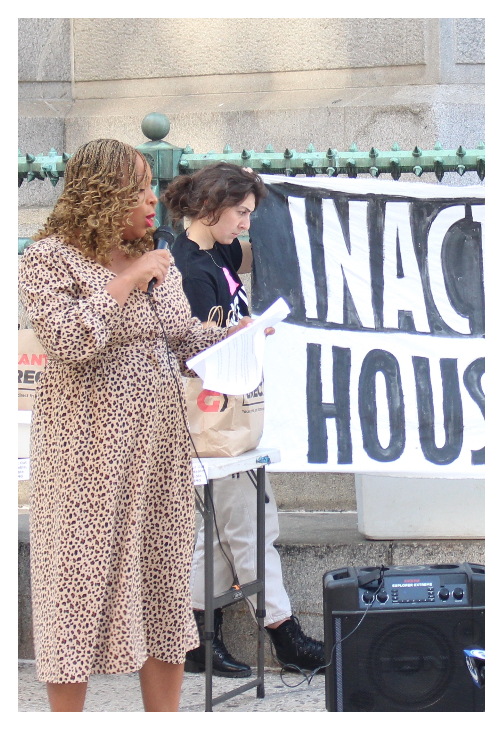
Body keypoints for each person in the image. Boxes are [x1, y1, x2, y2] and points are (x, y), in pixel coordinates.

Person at [17, 139, 248, 711]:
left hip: (159, 454)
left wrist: (238, 337)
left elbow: (182, 335)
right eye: (140, 188)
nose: (154, 200)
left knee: (164, 587)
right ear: (102, 195)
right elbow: (70, 339)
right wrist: (124, 282)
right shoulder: (49, 260)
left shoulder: (156, 255)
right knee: (74, 591)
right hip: (85, 458)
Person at [161, 162, 326, 675]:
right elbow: (193, 352)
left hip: (228, 413)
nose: (247, 225)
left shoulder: (218, 250)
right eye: (241, 213)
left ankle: (191, 638)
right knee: (252, 524)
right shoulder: (190, 270)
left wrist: (268, 192)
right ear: (211, 209)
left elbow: (270, 250)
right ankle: (284, 633)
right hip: (211, 417)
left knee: (218, 534)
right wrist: (247, 333)